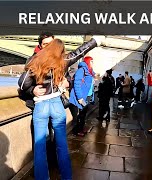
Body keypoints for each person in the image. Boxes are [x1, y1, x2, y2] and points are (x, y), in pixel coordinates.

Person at [18, 39, 75, 180]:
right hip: (57, 104)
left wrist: (33, 89)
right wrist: (95, 41)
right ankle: (66, 177)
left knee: (39, 147)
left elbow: (23, 83)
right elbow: (80, 52)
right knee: (62, 145)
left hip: (41, 105)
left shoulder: (36, 60)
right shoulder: (62, 61)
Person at [69, 56, 95, 137]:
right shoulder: (81, 70)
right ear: (88, 61)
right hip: (81, 97)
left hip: (87, 96)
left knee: (83, 114)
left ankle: (81, 128)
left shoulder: (90, 72)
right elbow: (76, 84)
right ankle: (77, 131)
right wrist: (79, 98)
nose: (93, 63)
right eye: (91, 61)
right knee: (78, 115)